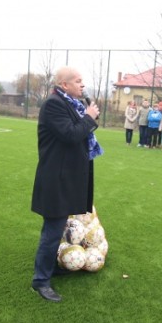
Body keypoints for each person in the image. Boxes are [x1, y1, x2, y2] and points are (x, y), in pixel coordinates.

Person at [31, 67, 102, 302]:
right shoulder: (54, 104)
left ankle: (51, 266)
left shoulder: (71, 104)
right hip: (56, 180)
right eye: (78, 81)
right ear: (64, 85)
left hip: (67, 178)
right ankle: (40, 281)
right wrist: (89, 117)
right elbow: (71, 134)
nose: (82, 85)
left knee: (57, 227)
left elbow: (81, 131)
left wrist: (88, 117)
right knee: (52, 231)